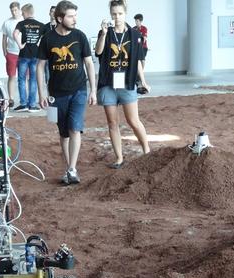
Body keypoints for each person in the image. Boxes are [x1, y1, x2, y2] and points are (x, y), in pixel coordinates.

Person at [37, 1, 96, 185]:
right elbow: (40, 67)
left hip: (78, 89)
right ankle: (68, 166)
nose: (74, 19)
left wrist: (93, 90)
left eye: (75, 15)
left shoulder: (80, 36)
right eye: (71, 16)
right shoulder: (48, 39)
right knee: (64, 133)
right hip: (57, 93)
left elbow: (88, 63)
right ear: (60, 18)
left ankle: (72, 169)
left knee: (75, 127)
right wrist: (41, 93)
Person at [96, 0, 151, 169]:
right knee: (112, 123)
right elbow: (98, 52)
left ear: (125, 13)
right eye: (114, 14)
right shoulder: (105, 32)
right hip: (108, 82)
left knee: (133, 120)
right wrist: (104, 34)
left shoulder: (134, 35)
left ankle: (147, 151)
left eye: (120, 14)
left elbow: (138, 61)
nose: (117, 17)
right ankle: (119, 158)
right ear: (110, 14)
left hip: (127, 82)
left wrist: (143, 81)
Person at [13, 4, 45, 112]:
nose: (22, 15)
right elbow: (47, 38)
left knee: (21, 79)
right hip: (36, 55)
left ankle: (23, 104)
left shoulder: (21, 23)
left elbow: (15, 34)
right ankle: (32, 105)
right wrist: (41, 47)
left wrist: (20, 45)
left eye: (22, 13)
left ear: (26, 12)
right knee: (33, 80)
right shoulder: (41, 25)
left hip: (23, 55)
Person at [1, 2, 22, 108]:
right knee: (11, 76)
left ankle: (24, 100)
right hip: (11, 53)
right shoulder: (7, 22)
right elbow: (4, 39)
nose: (14, 12)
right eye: (12, 10)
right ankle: (11, 98)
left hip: (23, 54)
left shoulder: (24, 21)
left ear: (19, 10)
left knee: (23, 77)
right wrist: (5, 52)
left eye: (15, 10)